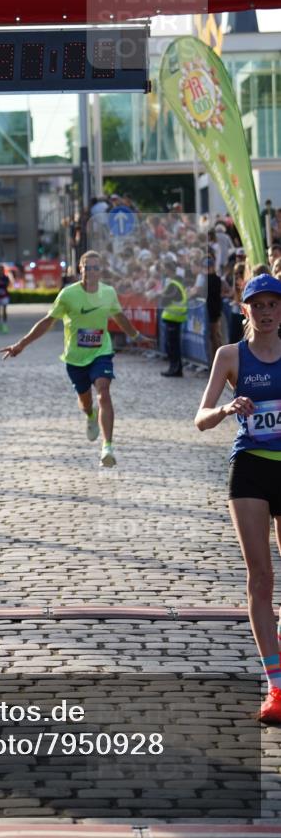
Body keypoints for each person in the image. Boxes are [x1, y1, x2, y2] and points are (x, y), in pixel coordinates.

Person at [194, 273, 281, 725]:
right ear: (243, 309)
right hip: (249, 469)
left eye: (273, 304)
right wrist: (226, 409)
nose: (266, 312)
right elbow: (200, 418)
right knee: (260, 578)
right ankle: (276, 686)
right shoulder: (231, 356)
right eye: (257, 305)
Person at [0, 249, 144, 468]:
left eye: (96, 268)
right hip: (75, 358)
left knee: (104, 393)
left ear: (101, 271)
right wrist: (21, 344)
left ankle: (108, 447)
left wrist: (136, 336)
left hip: (101, 353)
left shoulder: (108, 293)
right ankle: (90, 414)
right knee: (86, 403)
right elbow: (48, 321)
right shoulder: (68, 294)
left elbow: (119, 316)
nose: (92, 272)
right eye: (88, 268)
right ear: (80, 269)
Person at [159, 257, 188, 377]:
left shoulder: (172, 285)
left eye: (165, 269)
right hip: (175, 319)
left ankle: (175, 369)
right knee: (173, 346)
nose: (164, 272)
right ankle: (175, 368)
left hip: (173, 318)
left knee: (172, 347)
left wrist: (162, 296)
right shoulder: (178, 283)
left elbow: (164, 302)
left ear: (169, 270)